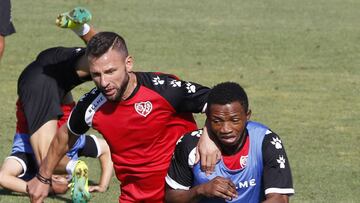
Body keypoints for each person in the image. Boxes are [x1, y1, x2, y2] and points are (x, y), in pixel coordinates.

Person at [26, 30, 220, 203]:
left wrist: (208, 136)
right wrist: (43, 177)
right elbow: (65, 136)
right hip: (133, 197)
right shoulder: (91, 106)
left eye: (111, 71)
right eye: (96, 75)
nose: (104, 82)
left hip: (181, 195)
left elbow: (221, 101)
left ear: (128, 63)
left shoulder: (164, 89)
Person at [2, 44, 113, 201]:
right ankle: (86, 32)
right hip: (61, 114)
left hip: (44, 95)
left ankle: (86, 32)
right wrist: (103, 185)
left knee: (100, 54)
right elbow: (106, 148)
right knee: (101, 54)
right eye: (65, 179)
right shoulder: (76, 145)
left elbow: (3, 178)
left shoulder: (25, 155)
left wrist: (40, 188)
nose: (61, 180)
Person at [165, 82, 294, 203]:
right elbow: (171, 197)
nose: (226, 129)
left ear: (247, 115)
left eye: (235, 120)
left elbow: (280, 198)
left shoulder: (266, 141)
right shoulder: (189, 145)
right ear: (208, 118)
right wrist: (201, 190)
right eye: (217, 121)